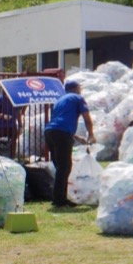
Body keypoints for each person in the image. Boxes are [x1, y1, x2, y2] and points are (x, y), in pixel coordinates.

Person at [44, 80, 95, 208]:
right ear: (77, 88)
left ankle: (59, 197)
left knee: (60, 166)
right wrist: (91, 134)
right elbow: (87, 118)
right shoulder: (79, 98)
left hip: (50, 132)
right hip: (61, 133)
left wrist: (76, 137)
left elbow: (59, 121)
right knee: (65, 166)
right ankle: (59, 200)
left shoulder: (59, 100)